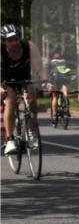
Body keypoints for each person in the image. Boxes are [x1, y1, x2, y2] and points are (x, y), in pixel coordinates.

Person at [1, 24, 50, 155]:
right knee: (10, 101)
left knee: (32, 99)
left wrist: (46, 81)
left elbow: (40, 68)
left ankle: (30, 131)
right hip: (5, 78)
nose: (14, 43)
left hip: (23, 76)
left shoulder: (29, 46)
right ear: (4, 41)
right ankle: (10, 139)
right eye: (10, 40)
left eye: (16, 39)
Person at [47, 49, 74, 120]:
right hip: (64, 76)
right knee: (64, 85)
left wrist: (48, 82)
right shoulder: (64, 61)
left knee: (55, 96)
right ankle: (66, 98)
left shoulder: (50, 62)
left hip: (55, 78)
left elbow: (48, 73)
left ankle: (54, 114)